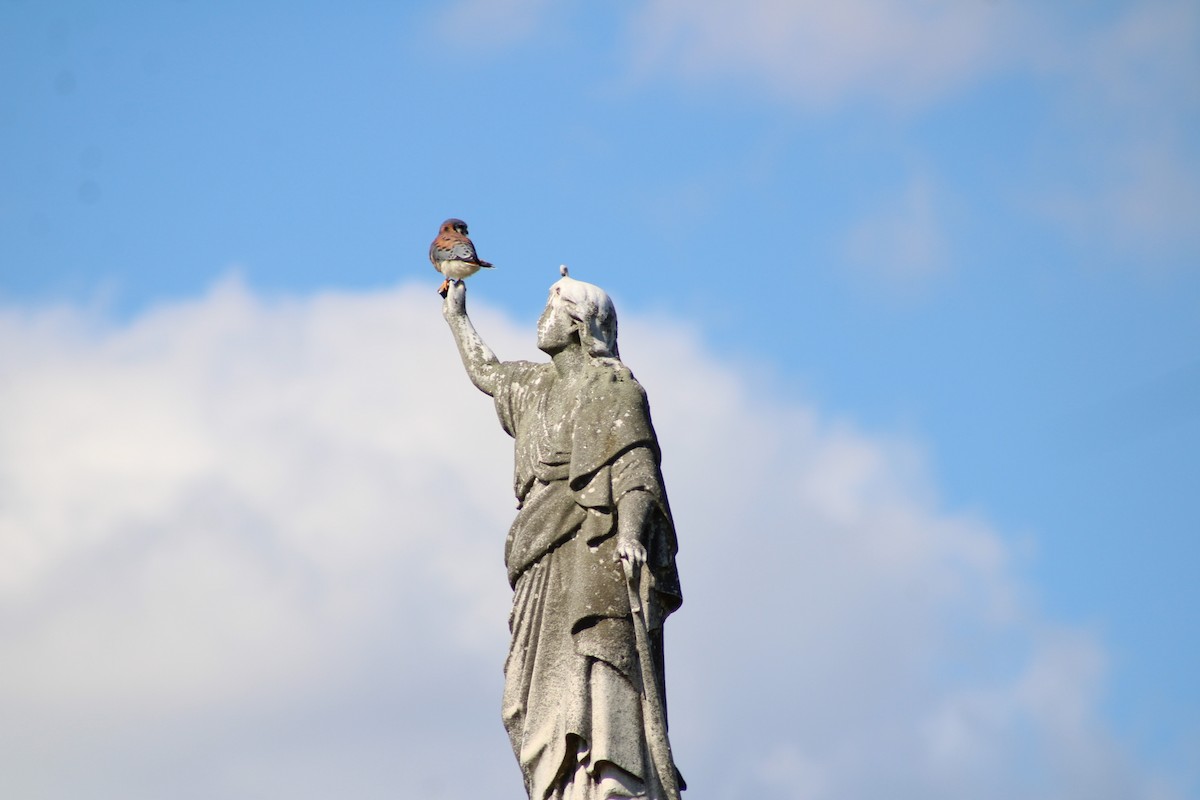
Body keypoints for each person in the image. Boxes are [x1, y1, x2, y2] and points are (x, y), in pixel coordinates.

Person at [442, 271, 684, 799]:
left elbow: (636, 472)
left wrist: (633, 533)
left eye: (551, 307)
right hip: (536, 558)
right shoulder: (531, 387)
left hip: (592, 549)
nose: (540, 317)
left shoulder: (613, 388)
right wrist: (458, 319)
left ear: (578, 324)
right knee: (524, 699)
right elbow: (486, 372)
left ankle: (608, 776)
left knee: (595, 659)